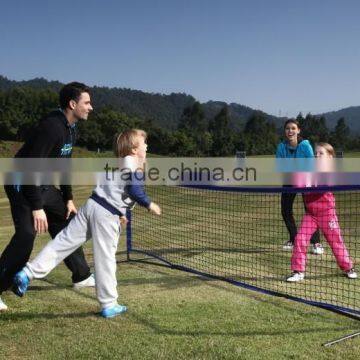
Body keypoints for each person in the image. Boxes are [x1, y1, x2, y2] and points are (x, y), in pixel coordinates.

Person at [13, 129, 162, 318]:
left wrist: (122, 212)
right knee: (106, 258)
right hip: (106, 215)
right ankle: (109, 304)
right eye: (143, 143)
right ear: (133, 149)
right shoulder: (135, 167)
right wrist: (149, 204)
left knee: (62, 243)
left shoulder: (120, 163)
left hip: (91, 206)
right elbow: (133, 191)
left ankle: (28, 272)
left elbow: (116, 190)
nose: (147, 146)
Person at [0, 82, 95, 310]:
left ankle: (81, 275)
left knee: (67, 223)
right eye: (87, 102)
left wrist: (68, 198)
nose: (91, 107)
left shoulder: (71, 128)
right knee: (26, 235)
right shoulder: (51, 127)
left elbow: (64, 166)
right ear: (73, 104)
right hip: (22, 185)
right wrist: (36, 207)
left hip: (42, 186)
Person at [287, 143, 357, 281]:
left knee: (335, 241)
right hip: (311, 215)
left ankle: (348, 267)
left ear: (330, 157)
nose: (317, 156)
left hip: (327, 213)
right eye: (316, 153)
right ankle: (298, 271)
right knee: (300, 239)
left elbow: (322, 187)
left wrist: (307, 183)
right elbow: (297, 184)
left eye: (321, 153)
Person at [276, 119, 323, 255]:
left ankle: (316, 243)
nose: (290, 131)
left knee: (311, 211)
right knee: (285, 211)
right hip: (289, 181)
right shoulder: (281, 147)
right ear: (285, 131)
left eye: (293, 128)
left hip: (306, 180)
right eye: (287, 129)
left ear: (298, 130)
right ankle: (293, 239)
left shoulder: (305, 145)